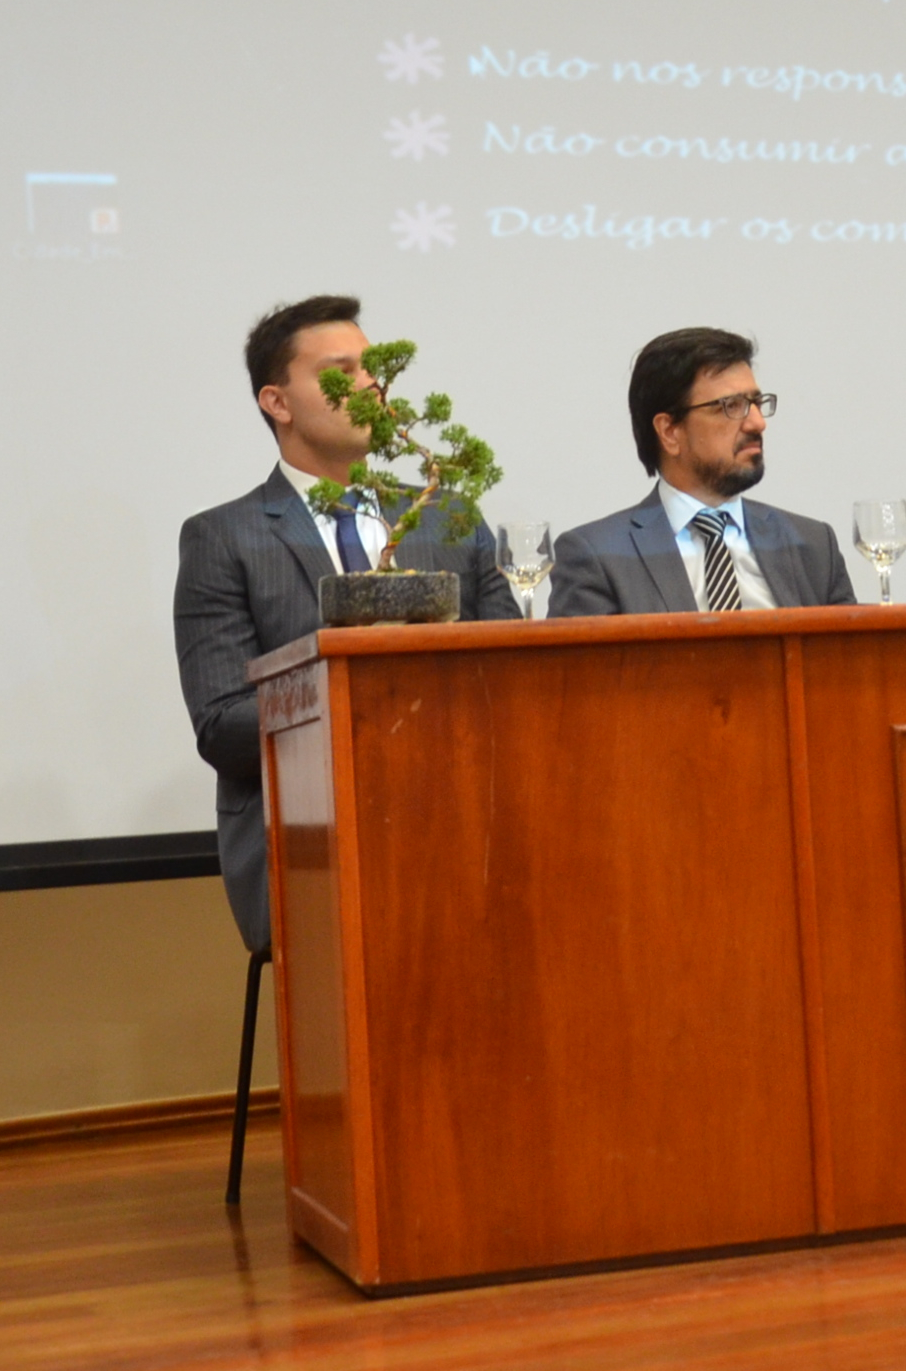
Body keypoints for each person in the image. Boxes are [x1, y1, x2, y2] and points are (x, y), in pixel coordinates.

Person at [173, 295, 517, 958]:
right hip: (311, 838)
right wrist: (365, 698)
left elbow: (504, 679)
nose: (371, 386)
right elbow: (222, 727)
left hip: (461, 813)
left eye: (373, 368)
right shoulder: (225, 537)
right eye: (342, 371)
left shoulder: (448, 516)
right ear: (277, 401)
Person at [551, 326, 859, 614]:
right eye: (731, 406)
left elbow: (850, 663)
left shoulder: (814, 545)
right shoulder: (597, 557)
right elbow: (585, 672)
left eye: (755, 402)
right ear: (669, 431)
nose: (757, 423)